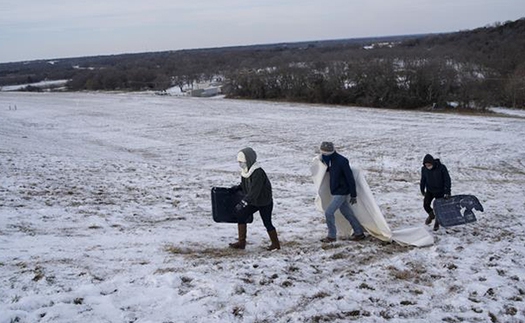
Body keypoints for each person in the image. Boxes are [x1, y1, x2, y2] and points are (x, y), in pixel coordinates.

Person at [229, 147, 280, 251]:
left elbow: (254, 191)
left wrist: (244, 202)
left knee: (267, 222)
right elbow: (245, 184)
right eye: (239, 162)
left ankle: (275, 244)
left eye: (242, 161)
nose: (240, 164)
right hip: (254, 201)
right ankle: (241, 242)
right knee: (241, 216)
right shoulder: (245, 171)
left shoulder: (257, 172)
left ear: (249, 159)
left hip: (264, 202)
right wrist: (238, 188)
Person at [319, 141, 365, 242]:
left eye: (325, 153)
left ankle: (331, 236)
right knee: (347, 212)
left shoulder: (342, 161)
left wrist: (353, 194)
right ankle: (359, 232)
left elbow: (350, 178)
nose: (323, 155)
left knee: (329, 212)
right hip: (335, 190)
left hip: (341, 191)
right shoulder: (328, 160)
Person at [420, 154, 452, 231]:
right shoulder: (424, 169)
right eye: (426, 165)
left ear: (432, 163)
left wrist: (447, 192)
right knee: (426, 205)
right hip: (430, 190)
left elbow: (447, 180)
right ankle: (431, 216)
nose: (428, 166)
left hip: (440, 191)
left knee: (438, 208)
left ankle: (437, 223)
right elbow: (423, 179)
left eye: (429, 165)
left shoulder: (441, 168)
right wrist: (422, 189)